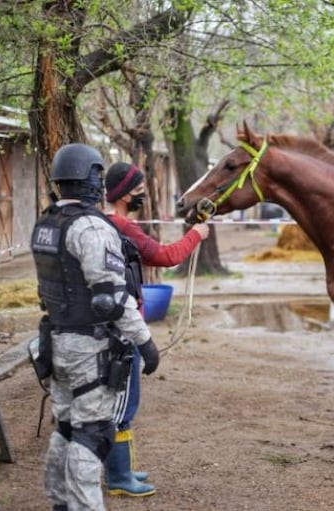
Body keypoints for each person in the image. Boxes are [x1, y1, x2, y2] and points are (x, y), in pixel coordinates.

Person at [30, 144, 159, 511]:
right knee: (92, 433)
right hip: (89, 347)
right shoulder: (90, 228)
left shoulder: (46, 223)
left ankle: (60, 502)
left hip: (56, 341)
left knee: (67, 428)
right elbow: (109, 299)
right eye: (98, 177)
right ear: (90, 180)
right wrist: (145, 341)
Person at [101, 161, 209, 497]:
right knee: (123, 406)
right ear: (122, 194)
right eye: (137, 190)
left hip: (110, 328)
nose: (141, 196)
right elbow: (164, 255)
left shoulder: (105, 224)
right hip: (123, 330)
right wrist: (196, 235)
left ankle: (123, 469)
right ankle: (119, 478)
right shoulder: (122, 227)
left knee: (121, 404)